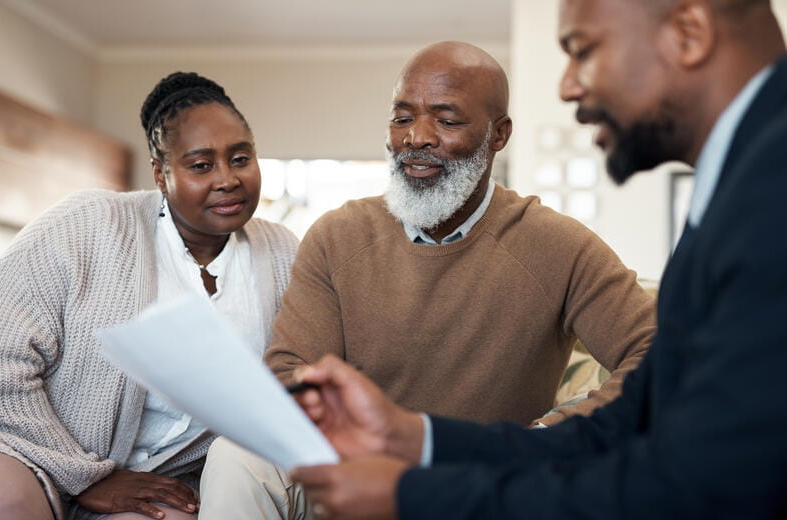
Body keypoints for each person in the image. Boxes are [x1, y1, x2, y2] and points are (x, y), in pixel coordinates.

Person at [288, 0, 787, 518]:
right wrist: (418, 438)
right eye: (403, 117)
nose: (567, 86)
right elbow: (632, 419)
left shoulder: (772, 194)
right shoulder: (736, 186)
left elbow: (707, 483)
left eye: (584, 51)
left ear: (689, 33)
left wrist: (412, 496)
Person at [199, 41, 656, 519]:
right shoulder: (338, 235)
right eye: (402, 117)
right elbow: (291, 367)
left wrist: (545, 439)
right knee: (237, 455)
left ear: (498, 135)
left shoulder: (558, 245)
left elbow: (656, 353)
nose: (417, 137)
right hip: (351, 465)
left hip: (473, 484)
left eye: (446, 119)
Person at [0, 72, 299, 519]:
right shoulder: (87, 224)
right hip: (3, 451)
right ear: (161, 175)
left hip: (147, 486)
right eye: (201, 165)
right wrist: (86, 476)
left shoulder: (283, 254)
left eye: (240, 158)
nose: (228, 179)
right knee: (2, 506)